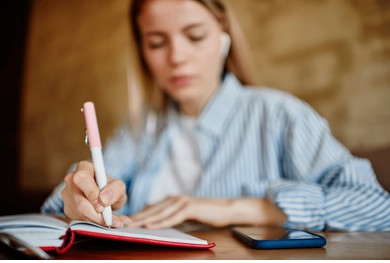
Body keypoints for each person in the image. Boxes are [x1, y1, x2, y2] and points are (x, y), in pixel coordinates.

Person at [41, 0, 390, 231]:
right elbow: (52, 211)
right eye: (157, 42)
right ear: (142, 50)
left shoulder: (280, 115)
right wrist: (79, 198)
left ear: (223, 35)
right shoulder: (141, 130)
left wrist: (246, 208)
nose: (177, 56)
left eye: (194, 36)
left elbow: (377, 207)